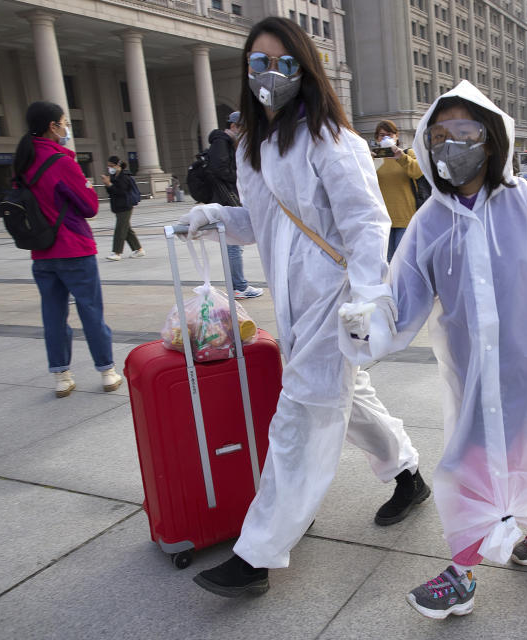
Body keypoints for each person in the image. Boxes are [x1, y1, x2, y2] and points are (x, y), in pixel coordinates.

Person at [180, 16, 427, 598]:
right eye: (258, 63)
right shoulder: (252, 147)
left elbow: (366, 223)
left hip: (334, 298)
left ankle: (258, 552)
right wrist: (217, 219)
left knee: (304, 413)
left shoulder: (330, 140)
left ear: (304, 70)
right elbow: (264, 225)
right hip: (294, 304)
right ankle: (408, 475)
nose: (270, 75)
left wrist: (369, 298)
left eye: (283, 63)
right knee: (346, 396)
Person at [341, 80, 527, 620]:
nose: (452, 144)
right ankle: (463, 573)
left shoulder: (522, 202)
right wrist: (365, 328)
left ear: (490, 138)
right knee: (470, 462)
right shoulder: (430, 220)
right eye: (439, 135)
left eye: (465, 132)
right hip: (475, 370)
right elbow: (402, 299)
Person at [15, 101, 123, 397]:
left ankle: (61, 376)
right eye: (65, 122)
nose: (66, 128)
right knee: (90, 311)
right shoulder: (61, 161)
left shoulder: (23, 162)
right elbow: (89, 207)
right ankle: (107, 372)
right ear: (53, 126)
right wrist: (87, 187)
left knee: (52, 314)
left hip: (41, 252)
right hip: (73, 248)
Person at [205, 111, 263, 300]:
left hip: (227, 195)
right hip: (226, 196)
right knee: (234, 244)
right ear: (233, 127)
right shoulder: (221, 142)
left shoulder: (226, 142)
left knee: (233, 244)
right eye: (243, 128)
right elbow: (219, 169)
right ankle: (239, 286)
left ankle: (237, 284)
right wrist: (238, 178)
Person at [372, 119, 425, 260]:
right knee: (387, 264)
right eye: (382, 135)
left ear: (397, 136)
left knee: (403, 263)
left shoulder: (408, 153)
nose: (386, 138)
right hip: (381, 221)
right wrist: (368, 161)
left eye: (390, 134)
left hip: (405, 218)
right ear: (377, 138)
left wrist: (401, 157)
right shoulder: (373, 159)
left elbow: (418, 172)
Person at [101, 156, 144, 261]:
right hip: (118, 206)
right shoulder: (114, 176)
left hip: (125, 206)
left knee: (120, 229)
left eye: (111, 166)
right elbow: (112, 192)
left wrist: (109, 184)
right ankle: (138, 249)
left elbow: (121, 192)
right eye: (108, 166)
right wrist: (108, 185)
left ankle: (116, 252)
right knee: (126, 229)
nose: (109, 168)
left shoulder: (124, 177)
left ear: (118, 165)